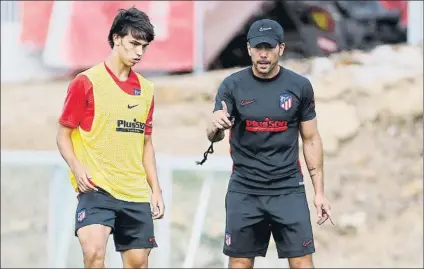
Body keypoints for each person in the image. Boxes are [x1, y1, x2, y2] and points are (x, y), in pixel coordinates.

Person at [206, 19, 334, 268]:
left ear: (281, 49)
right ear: (249, 49)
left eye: (269, 48)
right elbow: (214, 135)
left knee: (302, 263)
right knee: (240, 262)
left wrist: (319, 192)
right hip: (245, 190)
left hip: (288, 188)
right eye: (258, 48)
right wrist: (214, 126)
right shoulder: (232, 86)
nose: (263, 54)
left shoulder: (299, 87)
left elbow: (311, 139)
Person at [56, 7, 164, 268]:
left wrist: (156, 190)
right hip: (96, 188)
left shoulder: (147, 90)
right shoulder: (85, 82)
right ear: (116, 38)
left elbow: (146, 144)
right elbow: (63, 135)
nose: (139, 52)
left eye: (144, 47)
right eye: (134, 44)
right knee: (93, 253)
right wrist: (76, 166)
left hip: (135, 191)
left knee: (138, 262)